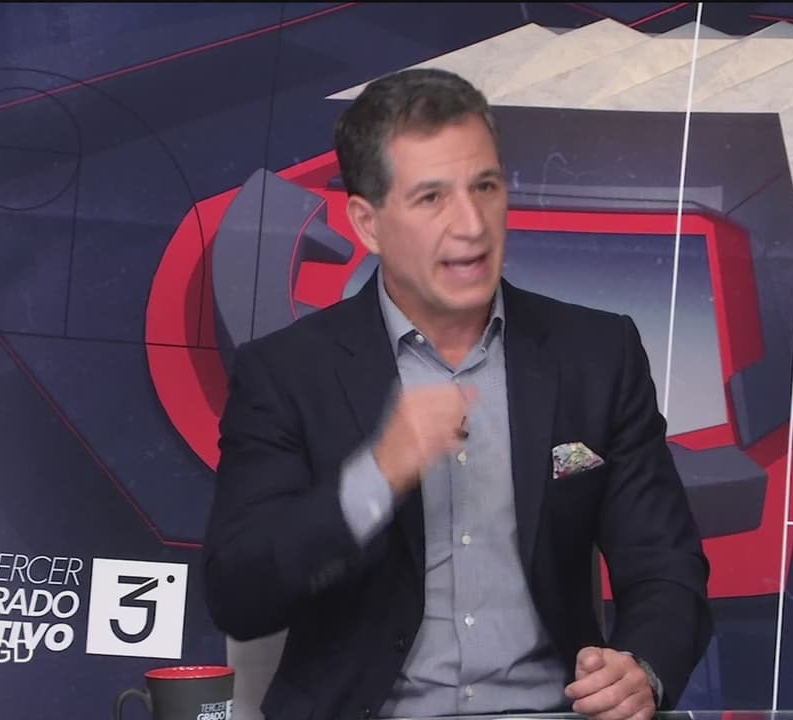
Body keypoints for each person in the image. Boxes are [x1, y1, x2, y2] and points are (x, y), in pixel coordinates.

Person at [203, 67, 712, 720]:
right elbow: (239, 593)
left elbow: (666, 566)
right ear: (367, 223)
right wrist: (377, 475)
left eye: (485, 187)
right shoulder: (286, 374)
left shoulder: (596, 355)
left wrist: (640, 669)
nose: (471, 225)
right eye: (431, 198)